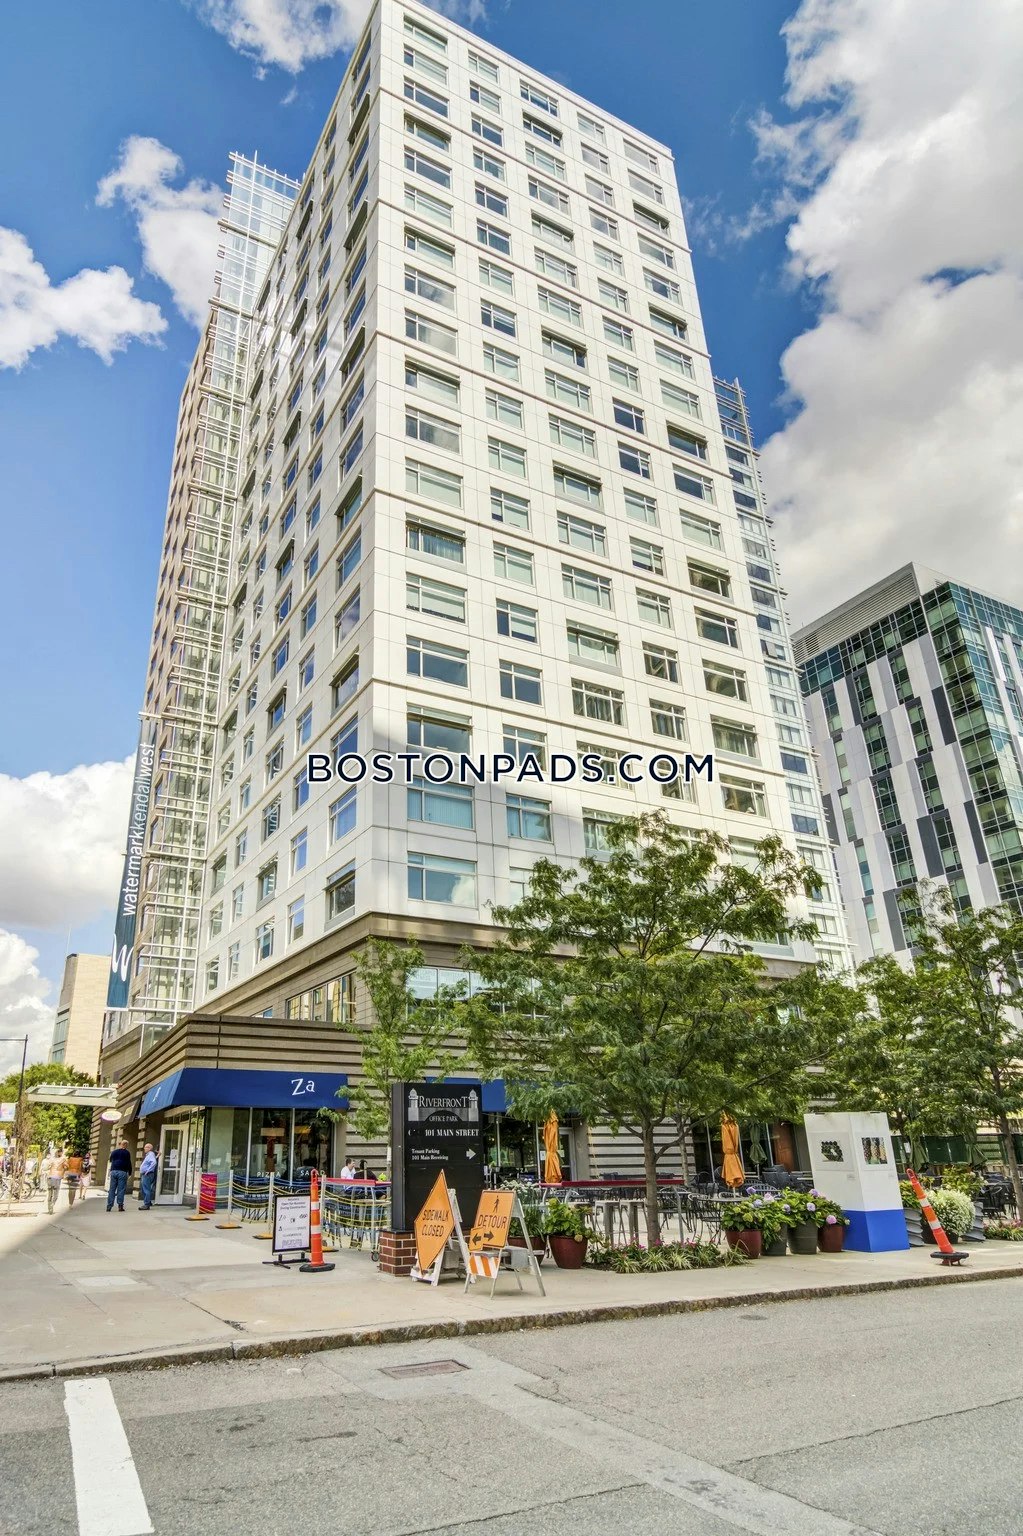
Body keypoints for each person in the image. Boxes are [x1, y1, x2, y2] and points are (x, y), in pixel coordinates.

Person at [107, 1139, 132, 1212]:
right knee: (121, 1189)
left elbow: (110, 1160)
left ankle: (109, 1206)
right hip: (122, 1172)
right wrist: (130, 1172)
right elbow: (129, 1163)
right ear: (125, 1145)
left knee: (112, 1189)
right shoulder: (127, 1153)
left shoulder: (114, 1152)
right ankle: (120, 1206)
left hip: (114, 1171)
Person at [45, 1150, 66, 1214]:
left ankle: (49, 1208)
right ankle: (52, 1204)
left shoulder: (51, 1159)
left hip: (50, 1177)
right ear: (61, 1153)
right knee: (56, 1194)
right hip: (57, 1178)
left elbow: (46, 1167)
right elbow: (66, 1167)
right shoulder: (63, 1160)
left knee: (50, 1193)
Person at [139, 1144, 158, 1209]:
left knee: (146, 1189)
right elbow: (153, 1161)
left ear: (149, 1148)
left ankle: (146, 1204)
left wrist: (147, 1171)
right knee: (145, 1189)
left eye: (146, 1147)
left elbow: (153, 1162)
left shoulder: (150, 1154)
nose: (144, 1148)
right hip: (146, 1174)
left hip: (147, 1174)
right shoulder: (149, 1155)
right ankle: (148, 1202)